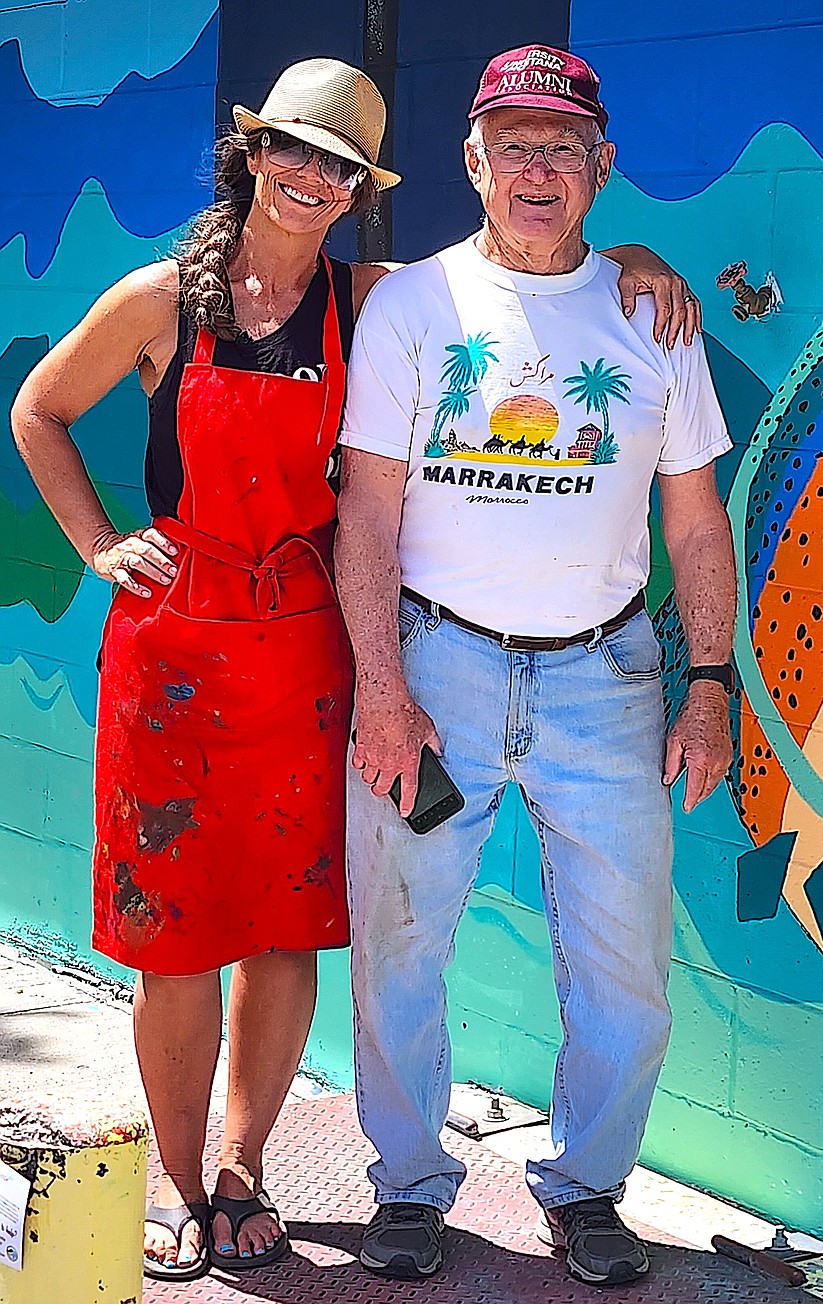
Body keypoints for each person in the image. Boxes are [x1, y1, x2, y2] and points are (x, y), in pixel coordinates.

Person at [9, 55, 702, 1284]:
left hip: (323, 655)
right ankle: (195, 1188)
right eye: (293, 151)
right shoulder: (179, 296)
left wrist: (642, 261)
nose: (312, 178)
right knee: (191, 938)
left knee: (290, 928)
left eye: (337, 164)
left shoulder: (369, 297)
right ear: (252, 154)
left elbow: (542, 277)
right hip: (188, 656)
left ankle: (254, 1168)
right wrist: (99, 539)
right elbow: (40, 409)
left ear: (359, 188)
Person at [336, 43, 737, 1289]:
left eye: (563, 146)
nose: (538, 168)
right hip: (437, 669)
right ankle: (408, 1181)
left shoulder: (651, 313)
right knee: (398, 939)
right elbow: (366, 516)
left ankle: (588, 1186)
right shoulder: (413, 309)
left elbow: (695, 519)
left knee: (624, 957)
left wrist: (712, 679)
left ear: (603, 166)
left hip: (606, 677)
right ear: (472, 161)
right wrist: (384, 693)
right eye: (513, 144)